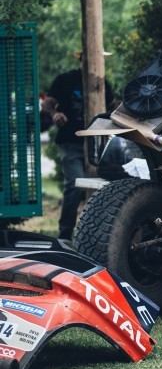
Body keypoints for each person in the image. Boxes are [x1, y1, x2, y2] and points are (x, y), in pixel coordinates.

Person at [41, 51, 114, 243]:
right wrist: (54, 114)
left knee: (102, 187)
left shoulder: (103, 83)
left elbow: (114, 107)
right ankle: (65, 234)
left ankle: (98, 235)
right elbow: (47, 104)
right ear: (82, 60)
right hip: (71, 141)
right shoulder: (65, 80)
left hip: (97, 145)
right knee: (74, 184)